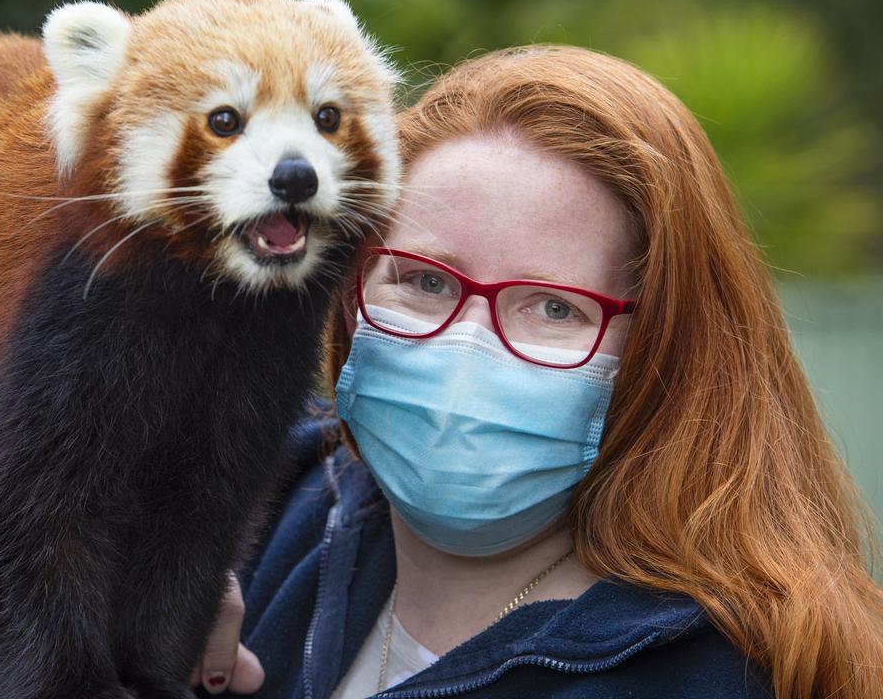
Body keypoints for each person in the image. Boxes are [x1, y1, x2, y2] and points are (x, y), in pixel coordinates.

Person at [188, 45, 883, 698]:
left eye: (554, 307)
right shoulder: (257, 506)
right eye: (425, 283)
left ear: (661, 345)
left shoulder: (718, 673)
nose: (466, 348)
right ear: (346, 290)